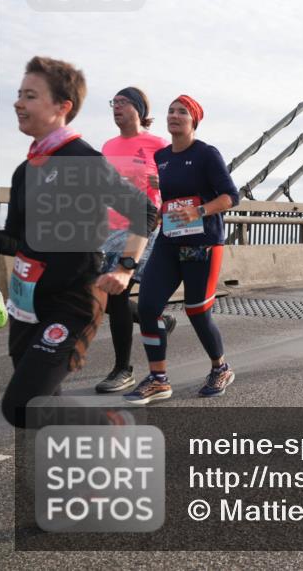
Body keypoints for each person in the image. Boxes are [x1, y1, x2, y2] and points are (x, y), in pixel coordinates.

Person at [0, 56, 157, 427]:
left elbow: (144, 211)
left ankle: (113, 427)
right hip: (27, 304)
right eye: (19, 94)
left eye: (30, 96)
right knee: (45, 405)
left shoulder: (83, 160)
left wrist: (125, 267)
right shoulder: (25, 170)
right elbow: (16, 240)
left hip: (72, 302)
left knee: (21, 407)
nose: (18, 103)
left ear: (62, 106)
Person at [125, 95, 239, 404]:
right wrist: (160, 214)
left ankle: (221, 368)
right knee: (148, 307)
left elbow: (231, 196)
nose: (174, 116)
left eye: (182, 112)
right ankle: (158, 379)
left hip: (202, 243)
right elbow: (167, 196)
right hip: (169, 241)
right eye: (171, 111)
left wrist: (199, 211)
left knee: (197, 310)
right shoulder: (161, 157)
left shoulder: (206, 154)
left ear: (194, 121)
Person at [95, 87, 175, 394]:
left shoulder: (158, 145)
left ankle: (122, 370)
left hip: (144, 225)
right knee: (100, 290)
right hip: (109, 228)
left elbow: (175, 183)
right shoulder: (108, 146)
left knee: (117, 293)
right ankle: (156, 319)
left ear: (139, 109)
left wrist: (163, 182)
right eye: (113, 103)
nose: (116, 107)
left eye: (123, 102)